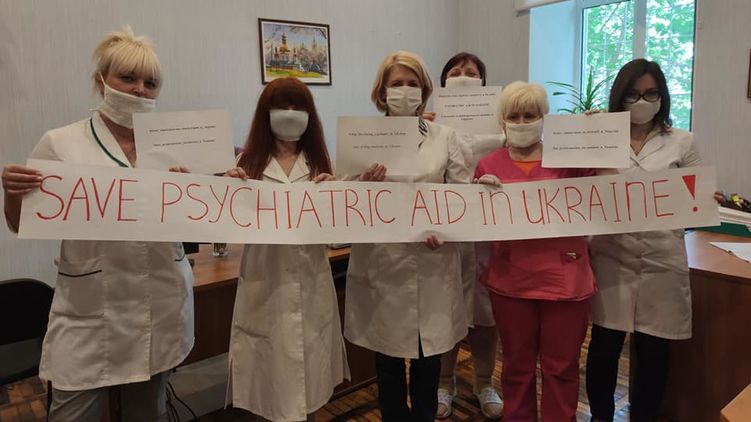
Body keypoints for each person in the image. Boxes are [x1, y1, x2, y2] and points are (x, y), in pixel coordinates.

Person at [1, 26, 193, 421]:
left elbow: (199, 219)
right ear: (101, 80)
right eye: (128, 77)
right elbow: (21, 224)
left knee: (149, 411)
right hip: (90, 308)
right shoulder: (61, 143)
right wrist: (13, 194)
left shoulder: (174, 147)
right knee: (72, 413)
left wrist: (208, 189)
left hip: (160, 300)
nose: (139, 89)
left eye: (150, 83)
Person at [342, 51, 470, 422]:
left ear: (425, 91)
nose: (405, 90)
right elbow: (342, 201)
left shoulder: (446, 137)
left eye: (413, 83)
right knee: (388, 362)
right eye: (396, 83)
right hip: (383, 264)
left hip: (433, 263)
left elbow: (462, 197)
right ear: (382, 92)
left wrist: (448, 231)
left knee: (429, 362)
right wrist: (363, 185)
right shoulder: (359, 139)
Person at [225, 77, 350, 422]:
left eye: (299, 107)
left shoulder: (320, 163)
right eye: (282, 106)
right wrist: (228, 192)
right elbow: (230, 225)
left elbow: (336, 231)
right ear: (266, 114)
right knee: (268, 382)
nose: (291, 114)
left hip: (311, 282)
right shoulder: (247, 163)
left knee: (307, 383)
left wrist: (335, 196)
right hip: (264, 284)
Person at [586, 59, 701, 422]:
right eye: (633, 94)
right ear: (619, 97)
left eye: (651, 94)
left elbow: (696, 196)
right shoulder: (599, 137)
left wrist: (705, 200)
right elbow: (575, 183)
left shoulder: (682, 142)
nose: (642, 101)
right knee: (604, 347)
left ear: (662, 97)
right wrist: (582, 133)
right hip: (611, 256)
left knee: (654, 352)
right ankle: (601, 416)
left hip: (661, 259)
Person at [474, 81, 596, 421]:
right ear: (502, 120)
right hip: (511, 280)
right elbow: (476, 224)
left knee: (562, 367)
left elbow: (606, 187)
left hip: (566, 280)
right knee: (517, 366)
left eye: (530, 115)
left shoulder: (569, 160)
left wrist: (597, 137)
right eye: (514, 116)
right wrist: (479, 198)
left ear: (544, 118)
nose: (522, 122)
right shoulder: (486, 166)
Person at [427, 52, 504, 420]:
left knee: (487, 314)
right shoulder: (428, 126)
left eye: (471, 73)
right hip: (446, 235)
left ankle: (484, 381)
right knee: (448, 311)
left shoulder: (504, 127)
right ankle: (444, 382)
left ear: (484, 83)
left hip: (489, 235)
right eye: (455, 72)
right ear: (443, 83)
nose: (463, 77)